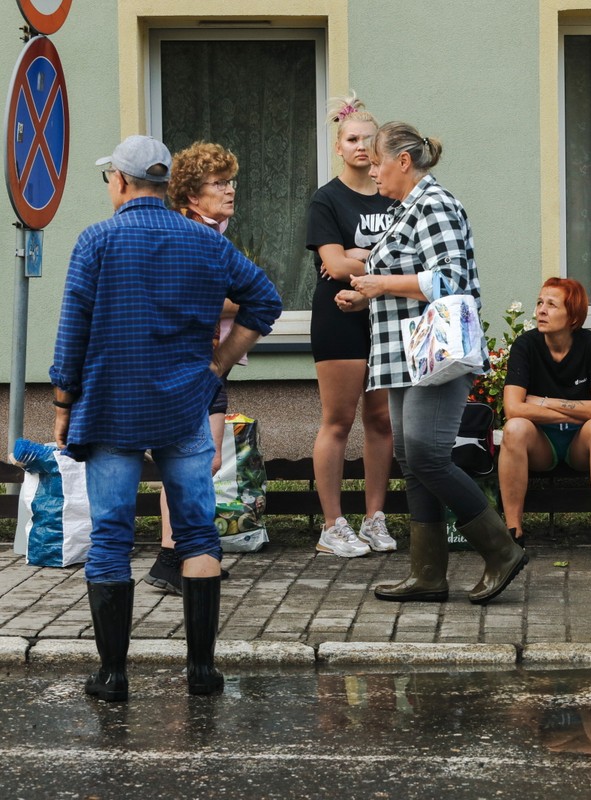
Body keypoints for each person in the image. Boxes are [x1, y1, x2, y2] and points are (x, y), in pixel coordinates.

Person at [50, 135, 282, 701]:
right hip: (186, 405)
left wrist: (62, 405)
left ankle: (113, 677)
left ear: (122, 182)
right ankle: (201, 672)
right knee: (198, 534)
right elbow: (266, 302)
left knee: (111, 536)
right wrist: (219, 366)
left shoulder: (97, 240)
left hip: (110, 408)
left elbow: (72, 331)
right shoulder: (204, 241)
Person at [334, 121, 527, 605]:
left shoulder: (436, 204)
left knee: (426, 455)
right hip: (404, 355)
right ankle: (427, 575)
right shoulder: (405, 209)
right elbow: (401, 276)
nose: (371, 170)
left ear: (403, 161)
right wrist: (366, 295)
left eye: (377, 161)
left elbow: (449, 279)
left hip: (435, 355)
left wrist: (380, 285)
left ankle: (501, 549)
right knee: (411, 460)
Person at [144, 141, 243, 594]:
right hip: (186, 367)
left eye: (230, 181)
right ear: (190, 195)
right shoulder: (187, 235)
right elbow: (186, 298)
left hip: (208, 367)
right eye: (218, 184)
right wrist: (238, 300)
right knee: (189, 460)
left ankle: (187, 554)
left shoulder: (214, 233)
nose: (229, 191)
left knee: (205, 459)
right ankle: (173, 556)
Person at [306, 93, 395, 559]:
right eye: (352, 139)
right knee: (338, 421)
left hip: (384, 316)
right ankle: (332, 525)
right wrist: (353, 259)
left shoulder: (393, 192)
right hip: (338, 317)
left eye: (368, 139)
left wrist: (358, 255)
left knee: (380, 419)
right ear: (338, 147)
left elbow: (409, 258)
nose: (361, 146)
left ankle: (375, 518)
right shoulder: (327, 199)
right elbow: (334, 265)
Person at [498, 277, 591, 565]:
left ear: (573, 316)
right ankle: (512, 536)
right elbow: (513, 409)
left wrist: (543, 401)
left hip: (581, 443)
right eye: (540, 303)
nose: (541, 310)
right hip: (541, 443)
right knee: (514, 429)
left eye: (551, 305)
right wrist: (580, 408)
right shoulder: (525, 345)